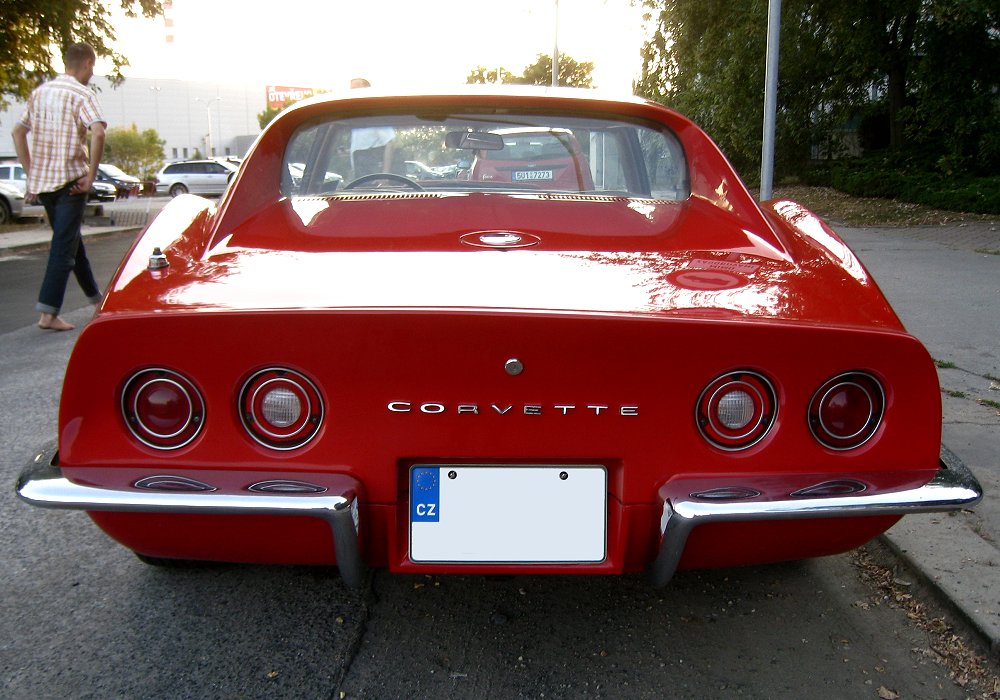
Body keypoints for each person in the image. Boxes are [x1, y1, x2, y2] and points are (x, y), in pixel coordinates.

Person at [12, 43, 107, 331]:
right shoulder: (82, 94)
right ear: (88, 64)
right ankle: (48, 314)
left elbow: (18, 132)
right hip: (71, 184)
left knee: (71, 243)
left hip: (45, 185)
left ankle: (97, 301)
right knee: (63, 249)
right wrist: (90, 176)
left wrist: (32, 173)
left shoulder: (39, 93)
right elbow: (99, 131)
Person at [348, 78, 395, 178]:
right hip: (359, 175)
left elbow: (389, 143)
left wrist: (385, 176)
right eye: (351, 90)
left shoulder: (376, 114)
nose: (353, 94)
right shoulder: (354, 117)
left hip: (374, 177)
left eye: (356, 90)